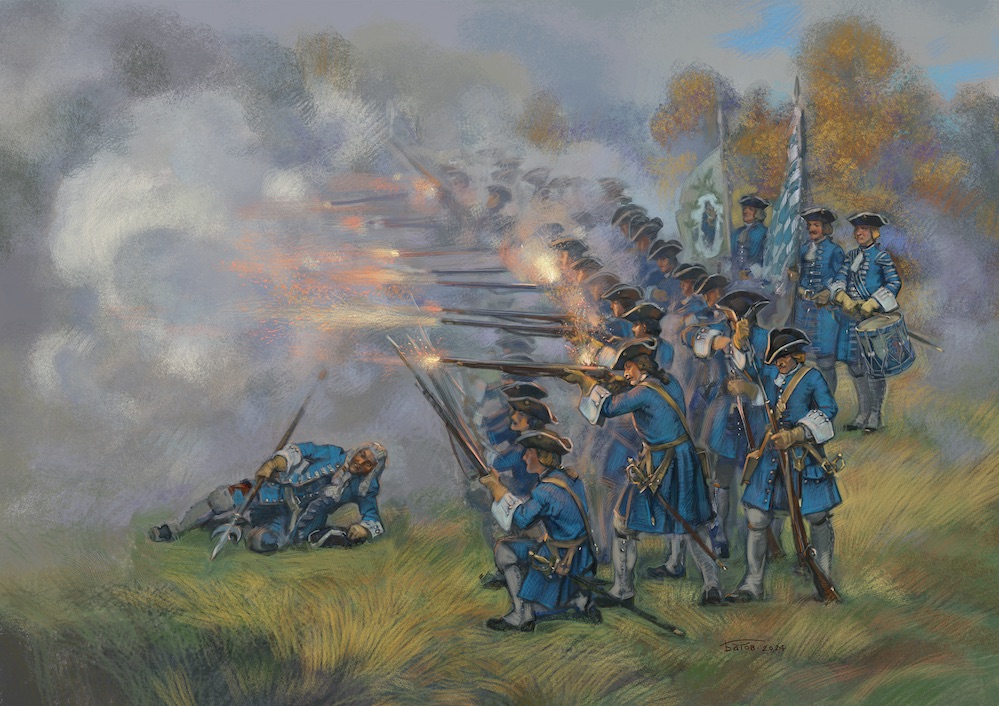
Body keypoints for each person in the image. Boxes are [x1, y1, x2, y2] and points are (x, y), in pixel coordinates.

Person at [567, 338, 723, 606]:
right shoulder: (668, 382)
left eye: (628, 368)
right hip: (683, 460)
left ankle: (623, 590)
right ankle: (712, 586)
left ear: (641, 366)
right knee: (695, 526)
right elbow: (635, 394)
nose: (625, 373)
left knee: (622, 524)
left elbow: (609, 408)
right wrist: (612, 383)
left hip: (659, 464)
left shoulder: (642, 393)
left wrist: (584, 382)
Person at [725, 328, 840, 603]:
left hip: (803, 457)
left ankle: (823, 578)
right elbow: (750, 375)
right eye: (777, 358)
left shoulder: (812, 377)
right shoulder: (769, 375)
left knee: (817, 518)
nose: (781, 362)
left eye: (785, 356)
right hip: (772, 458)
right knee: (756, 519)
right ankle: (753, 584)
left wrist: (798, 433)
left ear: (797, 356)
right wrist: (739, 347)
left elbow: (828, 410)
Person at [148, 442, 388, 553]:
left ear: (373, 469)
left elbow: (372, 516)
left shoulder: (365, 488)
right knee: (221, 498)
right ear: (357, 451)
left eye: (368, 463)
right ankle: (174, 529)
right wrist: (275, 463)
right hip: (273, 489)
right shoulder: (333, 454)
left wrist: (364, 529)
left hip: (292, 519)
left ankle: (240, 527)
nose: (360, 462)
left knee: (264, 543)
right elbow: (302, 450)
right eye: (361, 455)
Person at [479, 430, 600, 631]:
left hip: (560, 557)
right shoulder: (569, 477)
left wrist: (496, 488)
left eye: (529, 452)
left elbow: (521, 519)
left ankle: (521, 614)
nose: (524, 457)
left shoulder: (545, 490)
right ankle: (580, 601)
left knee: (504, 550)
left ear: (542, 456)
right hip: (582, 555)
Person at [825, 212, 901, 432]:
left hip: (872, 321)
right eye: (857, 229)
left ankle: (875, 415)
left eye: (864, 229)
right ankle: (862, 413)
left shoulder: (882, 257)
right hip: (851, 320)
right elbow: (839, 279)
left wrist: (874, 302)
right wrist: (842, 296)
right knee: (855, 367)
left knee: (874, 368)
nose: (859, 233)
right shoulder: (850, 256)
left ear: (874, 233)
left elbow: (894, 283)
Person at [792, 207, 846, 393]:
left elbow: (841, 278)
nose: (812, 229)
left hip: (824, 312)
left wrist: (829, 292)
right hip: (803, 310)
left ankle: (827, 400)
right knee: (802, 355)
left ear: (826, 227)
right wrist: (796, 282)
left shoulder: (835, 251)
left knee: (825, 361)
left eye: (816, 225)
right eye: (809, 225)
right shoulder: (803, 249)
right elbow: (799, 275)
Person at [730, 195, 770, 281]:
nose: (745, 211)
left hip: (756, 277)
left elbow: (768, 257)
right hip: (737, 277)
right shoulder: (736, 233)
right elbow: (734, 256)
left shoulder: (764, 232)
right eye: (744, 209)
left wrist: (754, 268)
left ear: (758, 213)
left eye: (750, 209)